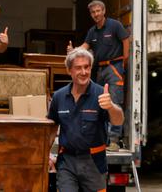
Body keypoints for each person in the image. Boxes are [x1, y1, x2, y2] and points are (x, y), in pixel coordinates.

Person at [47, 48, 124, 192]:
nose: (84, 72)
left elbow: (118, 121)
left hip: (94, 162)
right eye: (78, 68)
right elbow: (51, 128)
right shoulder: (59, 96)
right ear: (69, 70)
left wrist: (111, 107)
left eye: (87, 67)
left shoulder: (101, 94)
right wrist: (46, 155)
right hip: (67, 162)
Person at [66, 0, 130, 151]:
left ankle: (113, 141)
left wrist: (125, 60)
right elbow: (84, 47)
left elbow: (126, 40)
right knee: (99, 103)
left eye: (98, 11)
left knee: (114, 101)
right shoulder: (92, 32)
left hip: (114, 67)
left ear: (104, 10)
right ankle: (102, 139)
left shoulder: (115, 25)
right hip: (99, 70)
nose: (96, 14)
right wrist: (73, 50)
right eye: (93, 12)